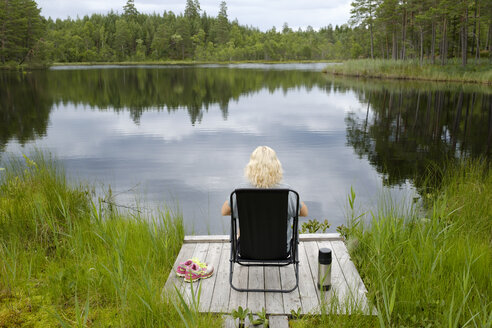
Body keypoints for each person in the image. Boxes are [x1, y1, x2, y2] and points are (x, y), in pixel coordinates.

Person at [221, 146, 308, 250]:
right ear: (276, 166)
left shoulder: (240, 191)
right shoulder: (287, 192)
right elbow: (304, 213)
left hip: (247, 250)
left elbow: (224, 211)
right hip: (280, 250)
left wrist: (248, 212)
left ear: (251, 167)